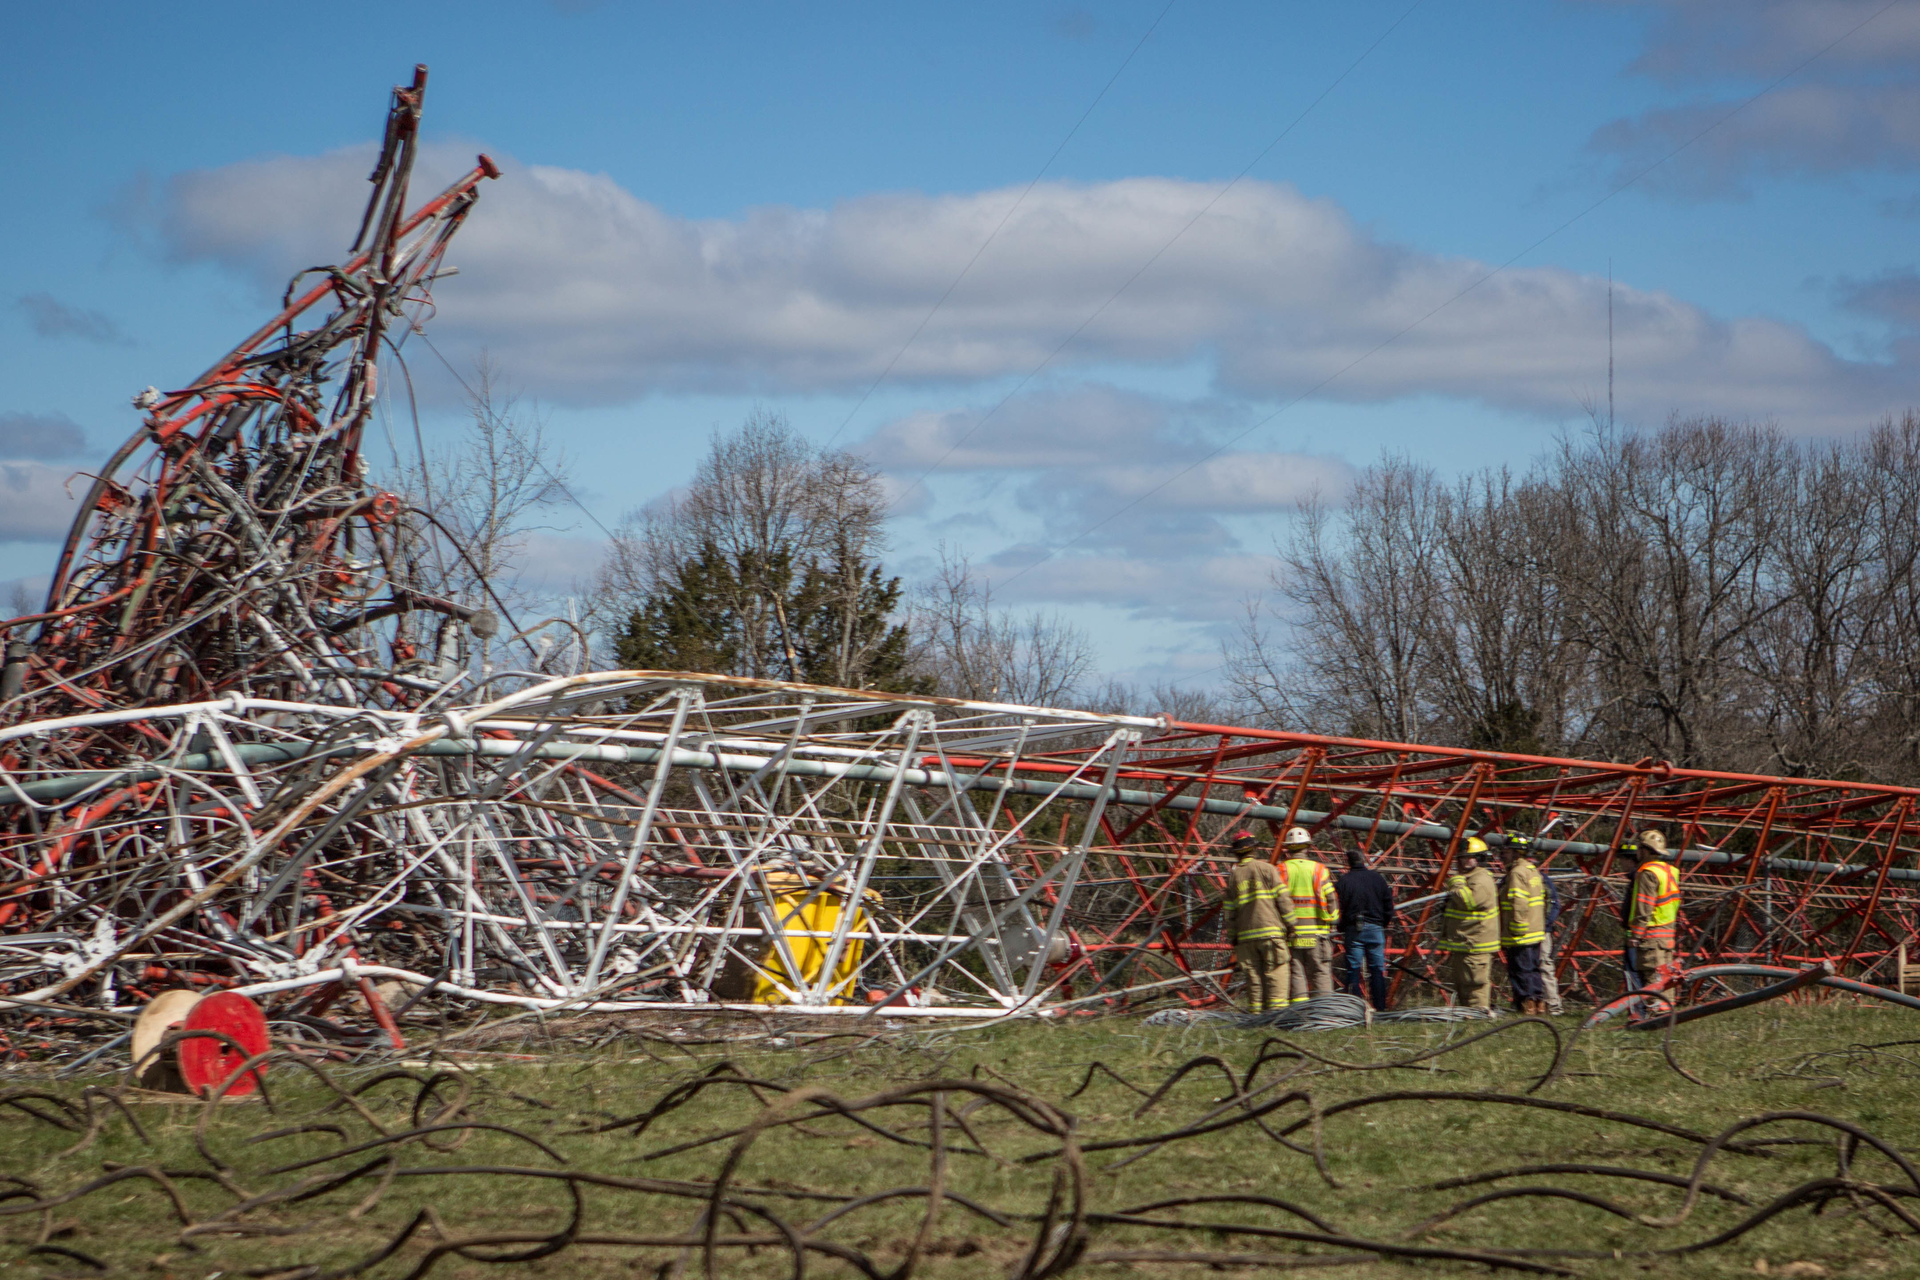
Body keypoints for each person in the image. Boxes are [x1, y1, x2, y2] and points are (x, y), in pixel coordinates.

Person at [1223, 830, 1296, 1012]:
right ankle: (1277, 1016)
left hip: (1245, 937)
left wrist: (1233, 935)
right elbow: (1283, 899)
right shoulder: (1267, 869)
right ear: (1254, 849)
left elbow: (1229, 911)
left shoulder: (1234, 877)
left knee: (1253, 978)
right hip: (1271, 933)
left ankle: (1256, 1016)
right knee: (1276, 973)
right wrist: (1291, 925)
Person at [1438, 837, 1500, 1009]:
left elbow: (1470, 901)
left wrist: (1456, 884)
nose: (1464, 861)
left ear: (1480, 858)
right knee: (1463, 986)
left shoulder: (1480, 879)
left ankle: (1477, 1018)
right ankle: (1468, 1017)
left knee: (1475, 986)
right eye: (1462, 857)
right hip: (1466, 942)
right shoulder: (1469, 878)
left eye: (1469, 857)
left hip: (1475, 944)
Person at [1280, 826, 1340, 1004]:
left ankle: (1299, 1013)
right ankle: (1323, 1011)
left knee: (1295, 972)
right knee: (1320, 971)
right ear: (1307, 846)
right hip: (1317, 933)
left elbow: (1276, 901)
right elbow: (1331, 899)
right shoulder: (1319, 870)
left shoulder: (1280, 870)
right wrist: (1332, 920)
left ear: (1288, 848)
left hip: (1291, 932)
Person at [1334, 845, 1394, 1010]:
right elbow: (1388, 904)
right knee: (1377, 970)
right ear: (1364, 860)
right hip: (1375, 928)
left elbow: (1338, 907)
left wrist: (1341, 927)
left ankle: (1354, 1010)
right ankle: (1380, 1008)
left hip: (1354, 929)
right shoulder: (1377, 879)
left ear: (1348, 862)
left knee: (1353, 969)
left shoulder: (1344, 881)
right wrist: (1383, 923)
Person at [1496, 835, 1547, 1015]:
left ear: (1516, 853)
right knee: (1533, 968)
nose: (1503, 856)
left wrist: (1516, 928)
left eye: (1506, 852)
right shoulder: (1532, 870)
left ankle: (1527, 1005)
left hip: (1521, 932)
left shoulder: (1517, 873)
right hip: (1535, 929)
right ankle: (1538, 1003)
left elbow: (1518, 901)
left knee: (1520, 970)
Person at [1624, 829, 1681, 989]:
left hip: (1652, 935)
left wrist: (1636, 934)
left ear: (1645, 850)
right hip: (1667, 933)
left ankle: (1657, 1013)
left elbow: (1644, 907)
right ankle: (1667, 1012)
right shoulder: (1670, 871)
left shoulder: (1648, 873)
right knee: (1665, 977)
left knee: (1653, 979)